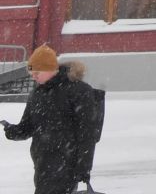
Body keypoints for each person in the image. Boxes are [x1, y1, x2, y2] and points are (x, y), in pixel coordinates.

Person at [3, 45, 91, 194]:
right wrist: (13, 131)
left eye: (37, 72)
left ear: (51, 69)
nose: (33, 76)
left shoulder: (77, 91)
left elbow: (87, 133)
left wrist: (84, 166)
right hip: (42, 161)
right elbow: (28, 126)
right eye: (31, 73)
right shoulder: (37, 94)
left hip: (66, 161)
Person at [65, 60, 104, 193]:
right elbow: (90, 132)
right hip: (74, 151)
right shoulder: (84, 90)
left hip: (66, 152)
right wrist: (84, 167)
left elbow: (87, 130)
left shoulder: (73, 92)